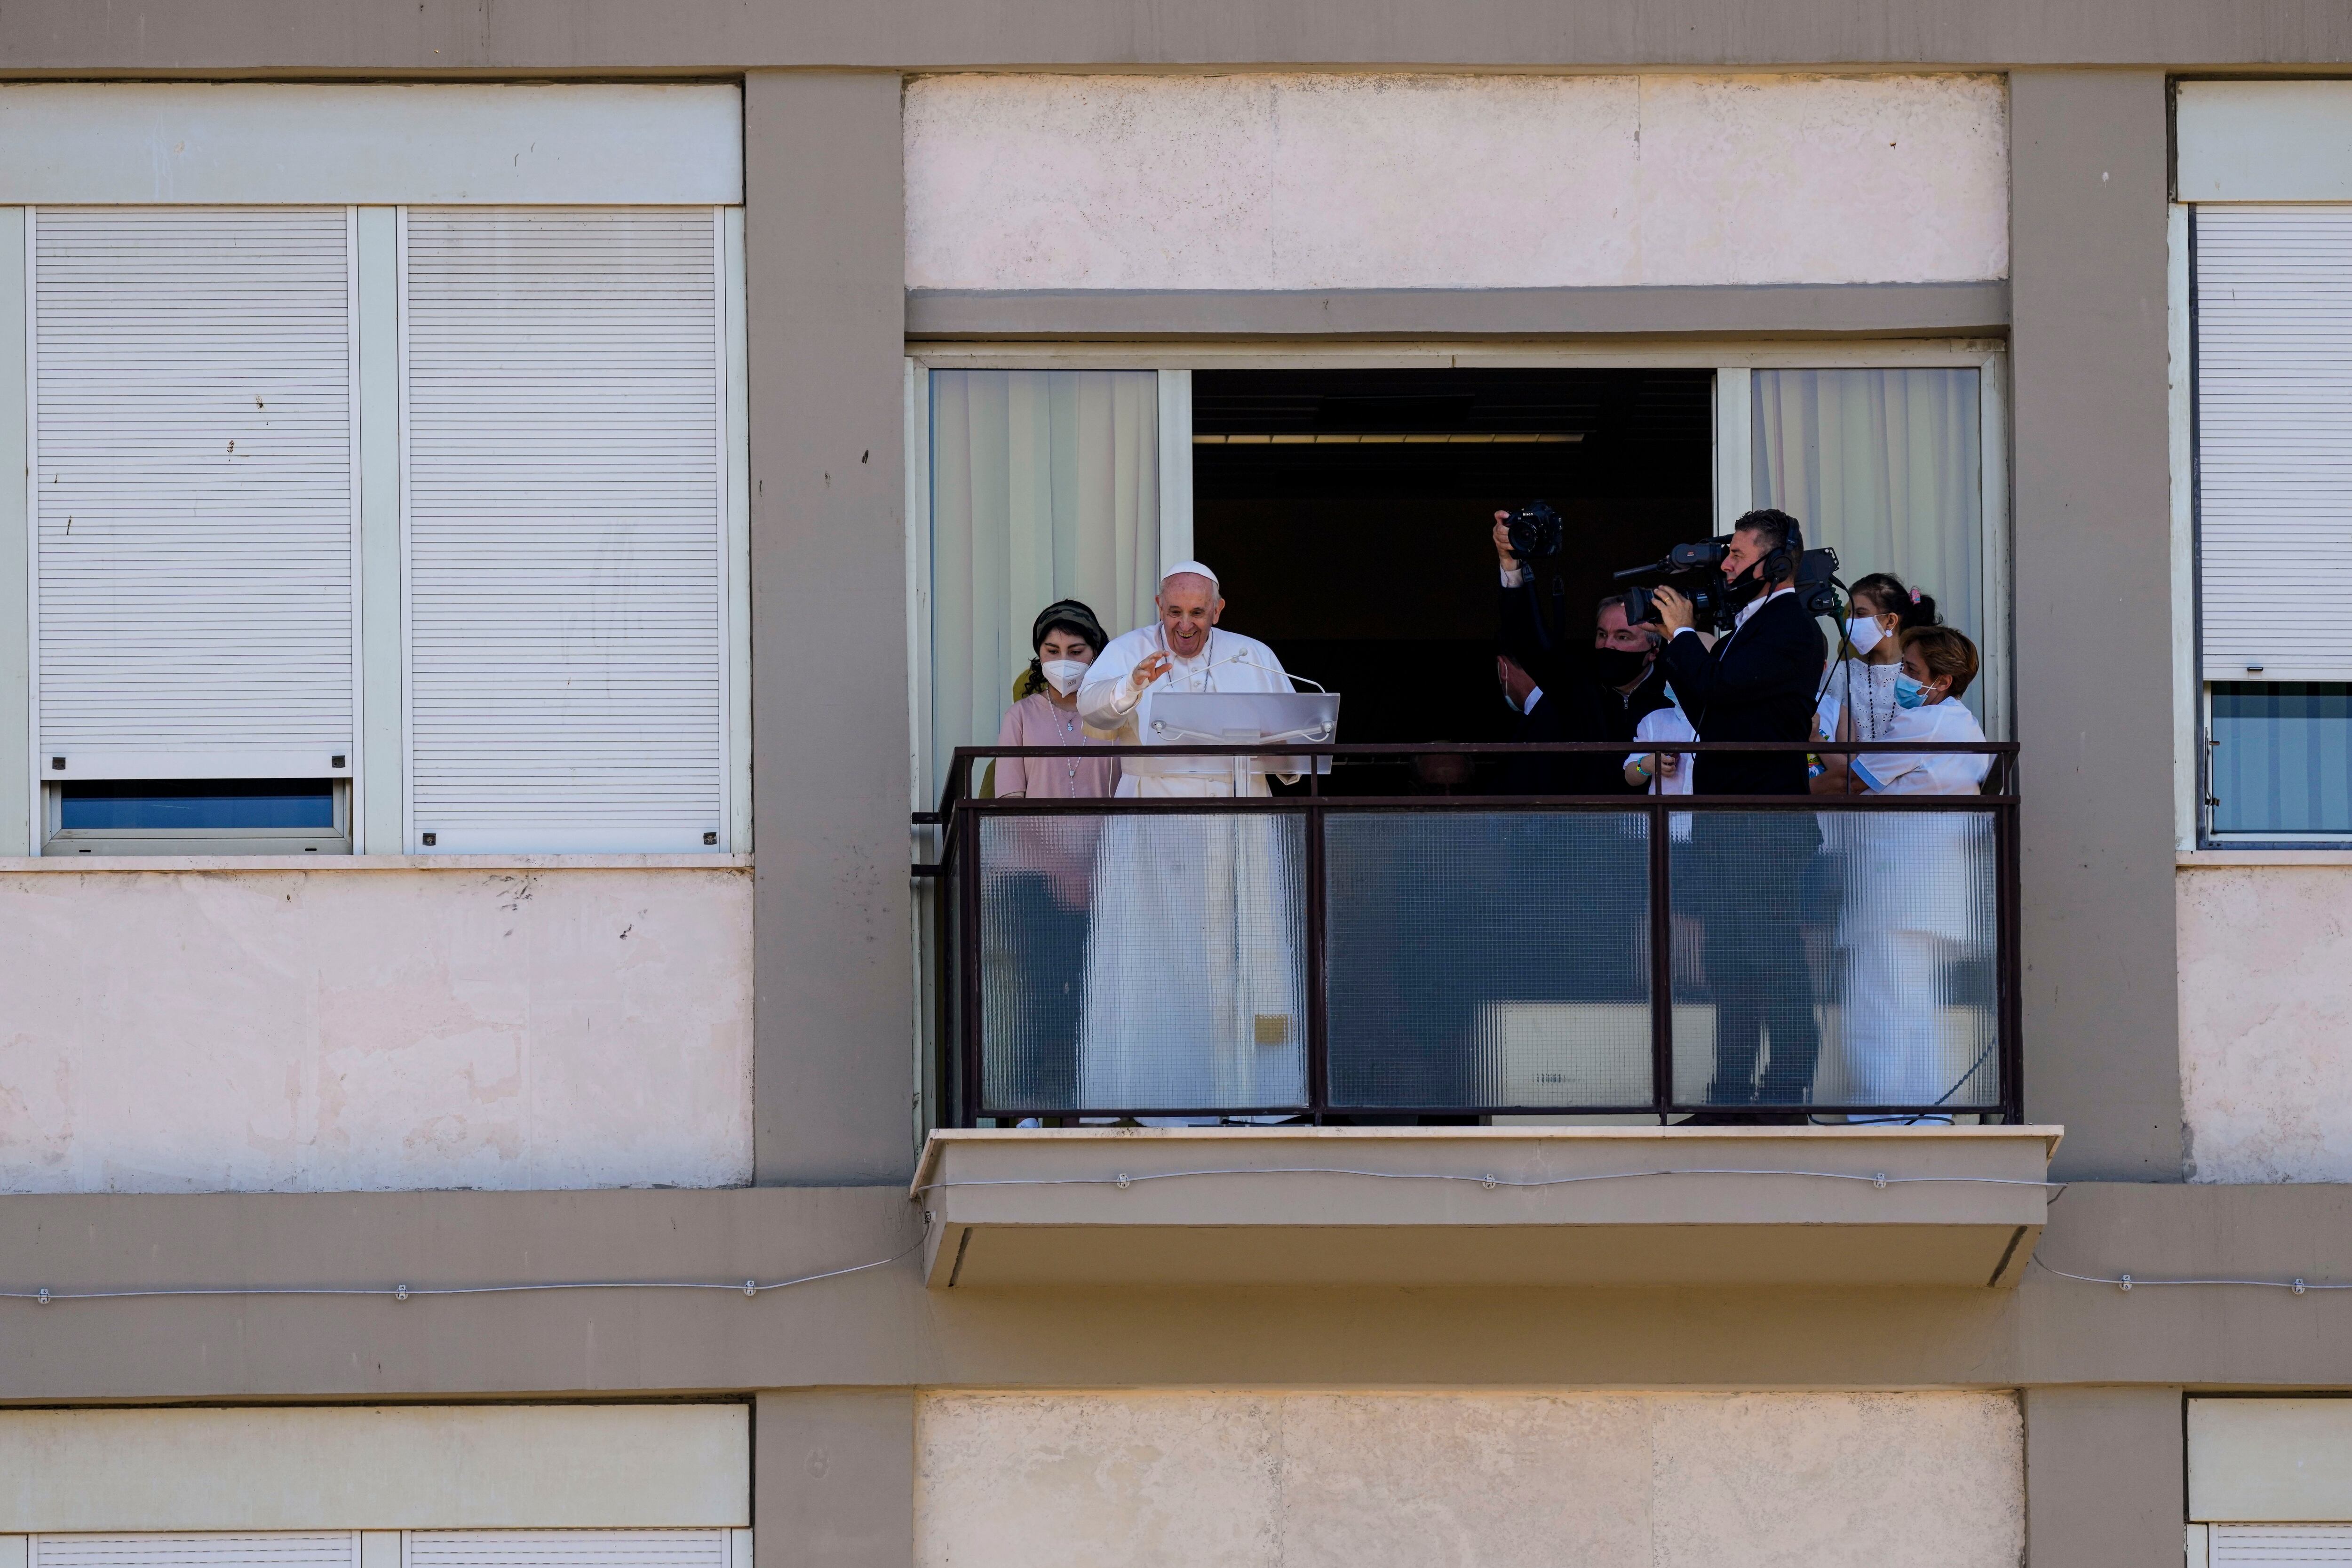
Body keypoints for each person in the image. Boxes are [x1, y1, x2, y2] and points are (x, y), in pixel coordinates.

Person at [1072, 564, 1306, 1115]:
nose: (1184, 625)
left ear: (1217, 611)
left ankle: (1247, 1096)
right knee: (1154, 956)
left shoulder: (1251, 657)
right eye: (1174, 612)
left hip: (1237, 820)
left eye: (1197, 613)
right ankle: (1155, 1097)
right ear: (1159, 607)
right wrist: (1132, 685)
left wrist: (1275, 743)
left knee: (1246, 952)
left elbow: (1294, 750)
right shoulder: (1128, 651)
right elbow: (1090, 712)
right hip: (1153, 827)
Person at [1648, 509, 1830, 1112]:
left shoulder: (1791, 627)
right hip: (1727, 821)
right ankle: (1729, 1093)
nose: (1724, 565)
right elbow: (1706, 711)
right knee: (1728, 964)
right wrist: (1678, 644)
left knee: (1772, 959)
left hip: (1764, 823)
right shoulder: (1743, 631)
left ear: (1774, 563)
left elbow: (1718, 690)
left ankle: (1784, 1092)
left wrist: (1682, 635)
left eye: (1736, 554)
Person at [1818, 626, 1994, 1122]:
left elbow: (1851, 781)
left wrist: (1781, 783)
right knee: (1913, 1006)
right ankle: (1924, 1111)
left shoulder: (1925, 722)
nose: (1903, 677)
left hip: (1899, 886)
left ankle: (1883, 1113)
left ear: (1942, 681)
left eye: (1912, 670)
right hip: (1925, 886)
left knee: (1879, 1001)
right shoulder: (1962, 724)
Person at [983, 600, 1119, 1117]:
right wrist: (1061, 868)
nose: (1064, 660)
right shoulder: (1020, 716)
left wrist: (1093, 869)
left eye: (1076, 650)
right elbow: (1009, 802)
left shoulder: (1113, 719)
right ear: (1038, 656)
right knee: (1038, 991)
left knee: (1093, 990)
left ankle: (1089, 1100)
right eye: (1052, 650)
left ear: (1096, 655)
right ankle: (1030, 1106)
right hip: (1032, 879)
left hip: (1104, 876)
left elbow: (1128, 798)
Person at [1493, 515, 1671, 794]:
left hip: (1658, 820)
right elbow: (1527, 643)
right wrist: (1511, 565)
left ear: (1654, 651)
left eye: (1623, 637)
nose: (1608, 645)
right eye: (1602, 635)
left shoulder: (1673, 695)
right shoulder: (1578, 687)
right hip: (1588, 820)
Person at [1812, 572, 1939, 783]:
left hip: (1908, 790)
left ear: (1891, 621)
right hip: (1848, 789)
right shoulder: (1837, 674)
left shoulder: (1921, 677)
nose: (1850, 622)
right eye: (1849, 614)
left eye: (1861, 614)